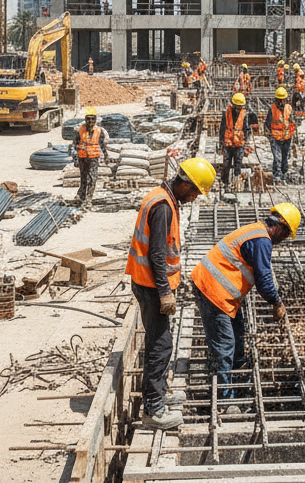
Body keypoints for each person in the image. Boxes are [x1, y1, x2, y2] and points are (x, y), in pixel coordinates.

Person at [126, 158, 216, 429]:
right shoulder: (163, 207)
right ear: (185, 184)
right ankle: (153, 409)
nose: (195, 198)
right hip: (152, 287)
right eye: (196, 192)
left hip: (148, 283)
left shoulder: (163, 197)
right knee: (160, 345)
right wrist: (165, 292)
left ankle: (159, 396)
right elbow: (156, 254)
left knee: (159, 342)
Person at [191, 203, 301, 415]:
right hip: (213, 290)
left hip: (224, 293)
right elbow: (264, 280)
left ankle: (238, 378)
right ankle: (225, 401)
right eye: (286, 235)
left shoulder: (257, 231)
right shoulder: (262, 240)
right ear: (280, 227)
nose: (283, 240)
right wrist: (277, 303)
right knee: (225, 345)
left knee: (238, 335)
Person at [73, 107, 109, 209]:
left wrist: (106, 156)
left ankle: (88, 200)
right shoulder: (81, 130)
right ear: (85, 119)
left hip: (93, 158)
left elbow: (102, 144)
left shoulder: (99, 131)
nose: (90, 121)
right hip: (83, 157)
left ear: (95, 120)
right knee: (83, 178)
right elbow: (75, 143)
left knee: (92, 179)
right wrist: (76, 154)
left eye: (92, 119)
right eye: (88, 119)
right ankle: (81, 196)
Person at [218, 93, 251, 191]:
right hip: (228, 144)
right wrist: (221, 144)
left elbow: (247, 129)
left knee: (238, 164)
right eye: (237, 106)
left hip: (239, 144)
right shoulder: (226, 113)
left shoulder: (244, 115)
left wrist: (245, 142)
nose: (238, 108)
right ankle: (225, 183)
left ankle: (237, 184)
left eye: (240, 107)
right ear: (233, 105)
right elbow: (222, 129)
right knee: (226, 164)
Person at [268, 87, 296, 183]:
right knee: (277, 157)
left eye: (282, 100)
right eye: (279, 100)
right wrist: (269, 135)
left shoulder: (289, 108)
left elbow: (292, 122)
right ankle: (277, 176)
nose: (280, 102)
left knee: (285, 157)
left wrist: (292, 135)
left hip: (287, 137)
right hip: (275, 138)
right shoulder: (272, 109)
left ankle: (284, 174)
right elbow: (267, 123)